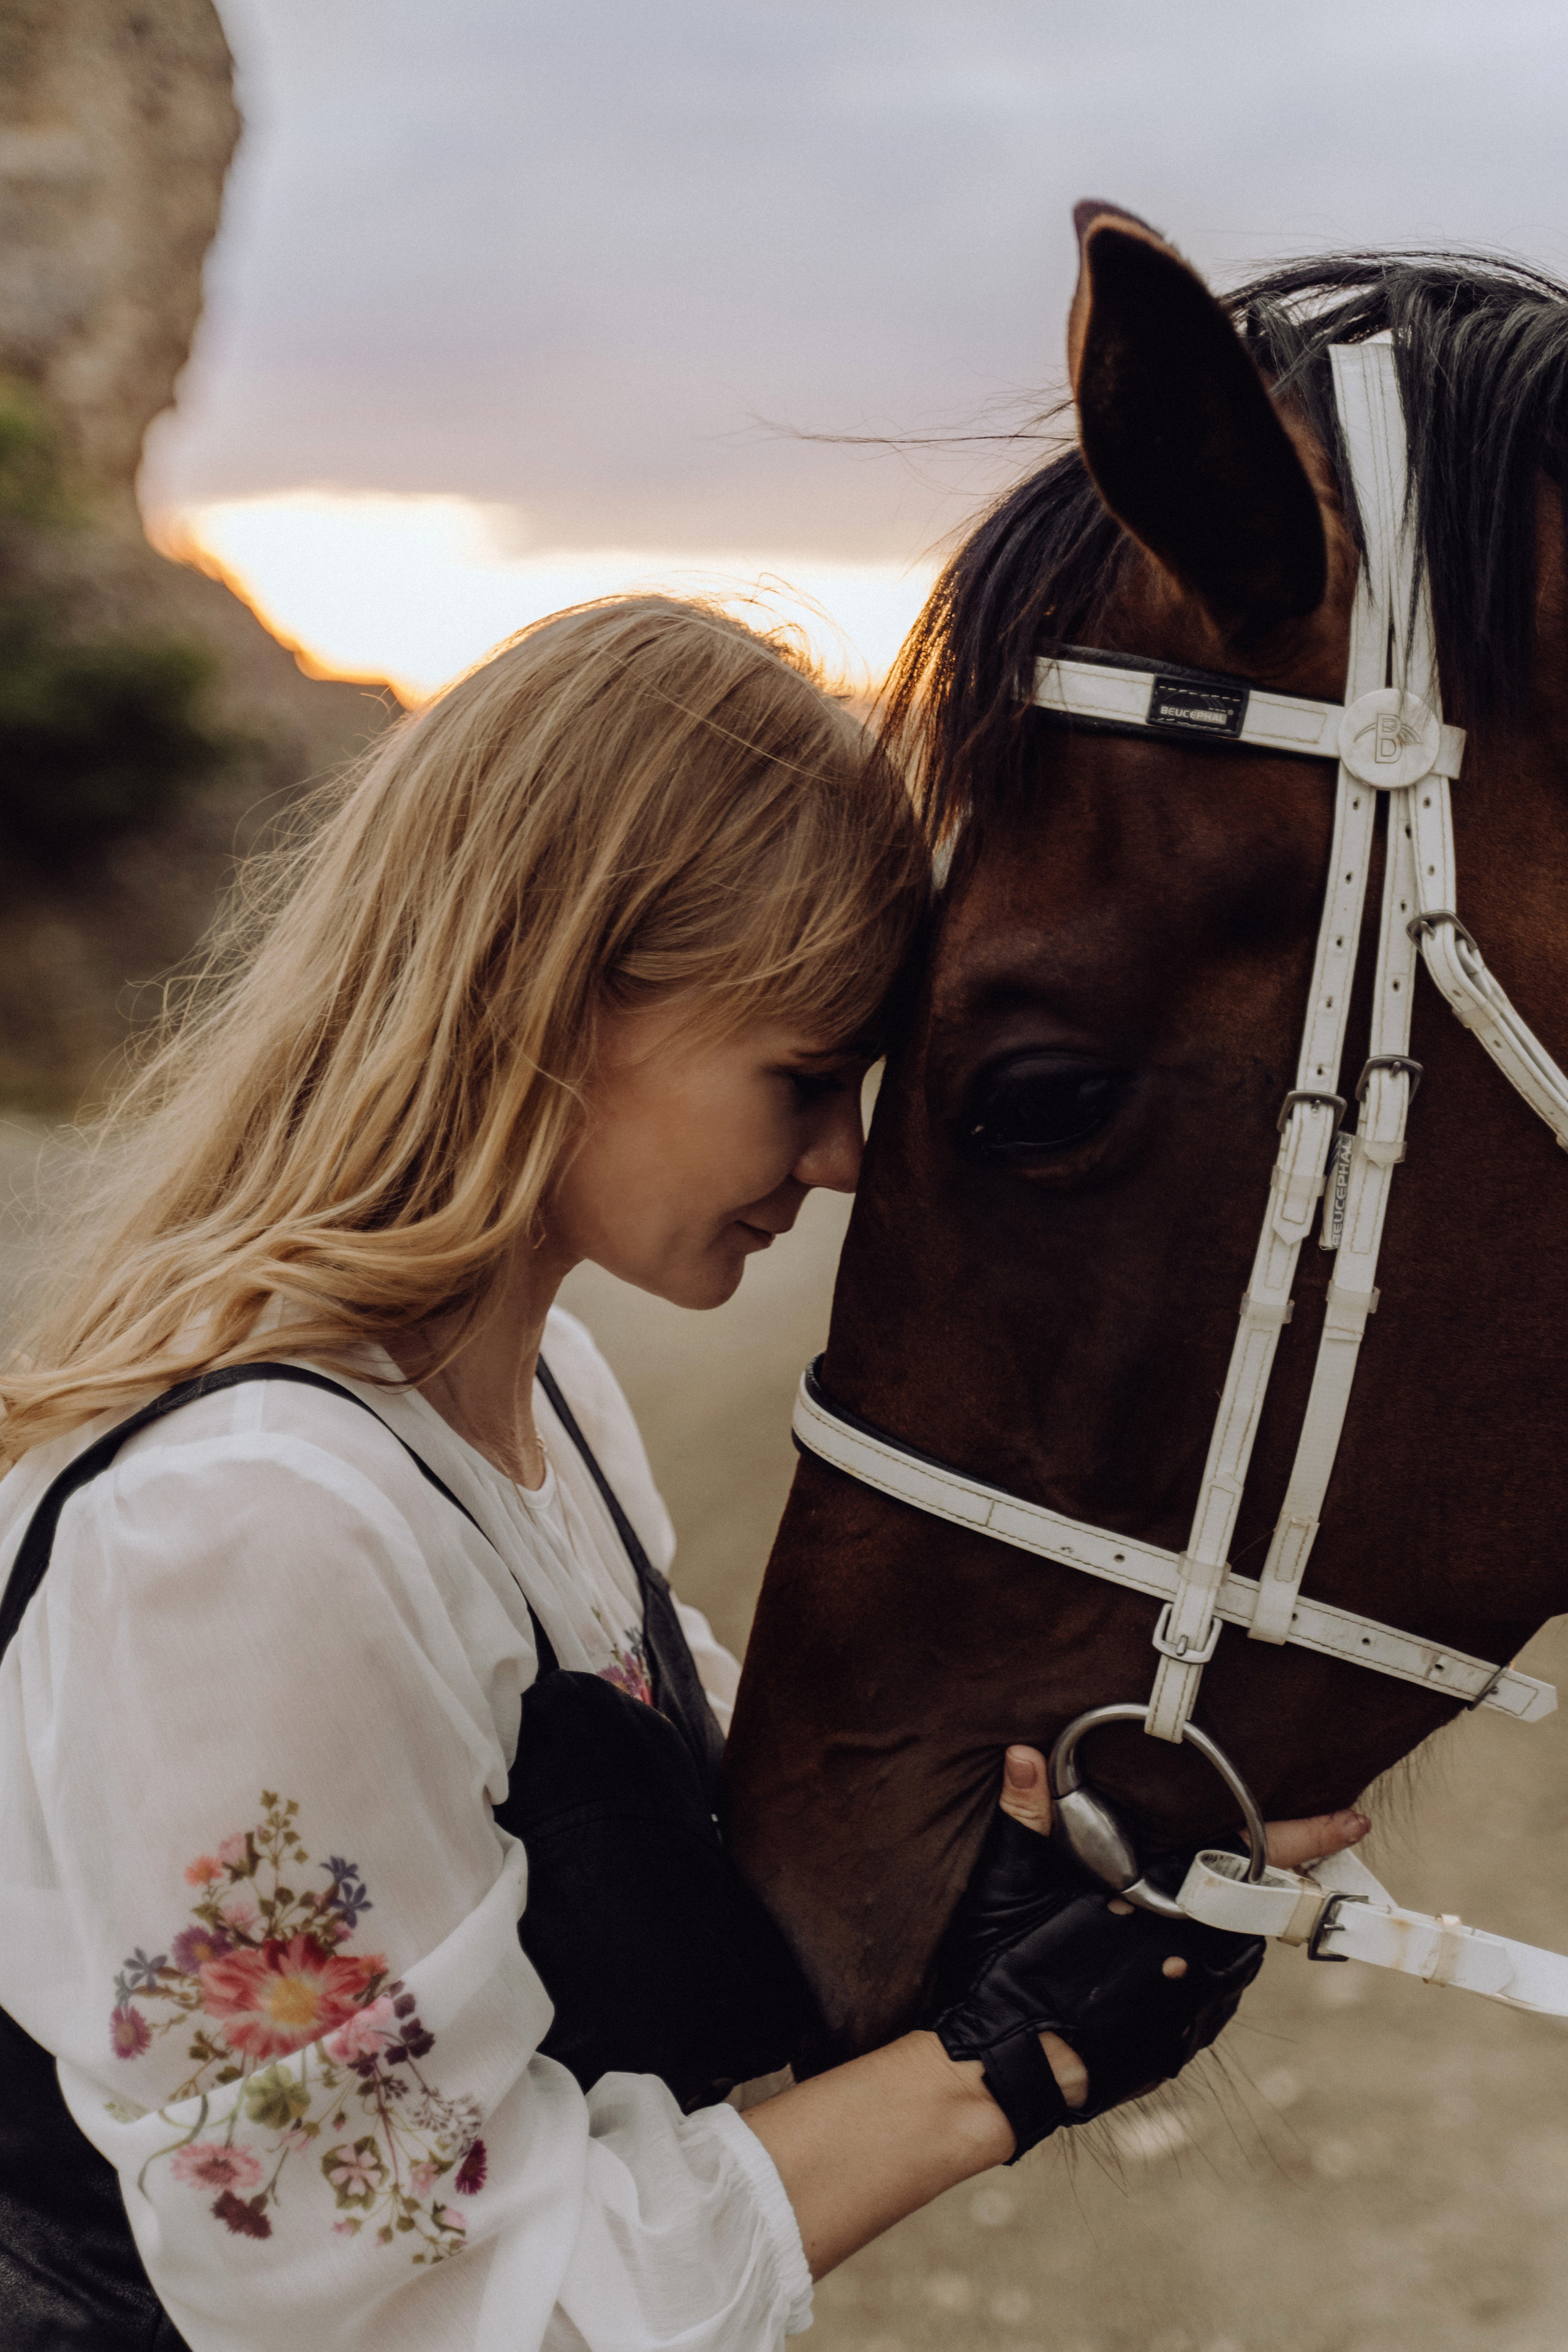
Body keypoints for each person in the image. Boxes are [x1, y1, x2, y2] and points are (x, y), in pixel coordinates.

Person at [0, 597, 1370, 2351]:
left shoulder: (541, 1401)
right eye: (802, 1074)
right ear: (553, 996)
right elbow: (414, 2310)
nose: (847, 1158)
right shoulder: (251, 1534)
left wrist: (1024, 1905)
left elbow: (695, 1927)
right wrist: (999, 2068)